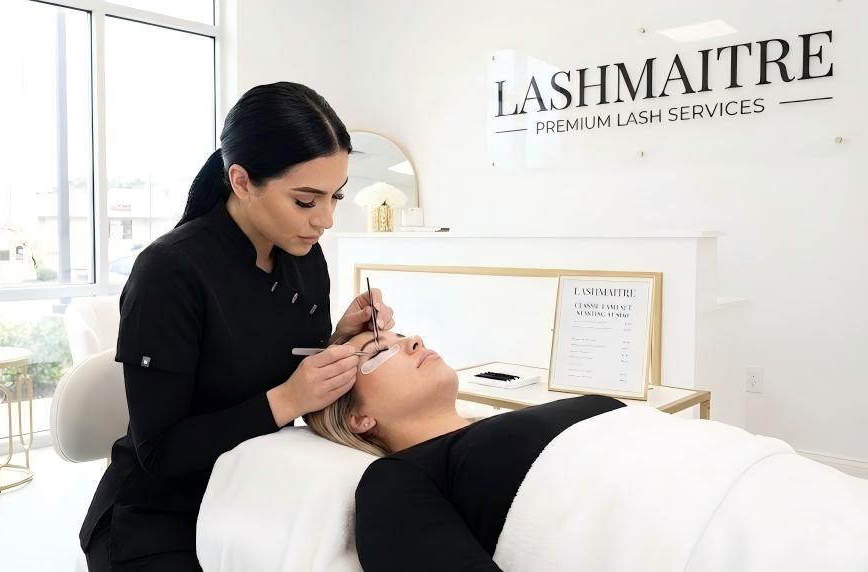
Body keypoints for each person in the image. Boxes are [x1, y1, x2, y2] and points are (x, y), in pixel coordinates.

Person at [81, 82, 396, 571]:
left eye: (336, 196)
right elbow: (159, 454)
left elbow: (272, 359)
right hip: (158, 514)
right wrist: (289, 400)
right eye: (306, 201)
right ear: (242, 181)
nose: (327, 220)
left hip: (252, 489)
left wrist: (338, 340)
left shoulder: (303, 259)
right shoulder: (169, 272)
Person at [303, 330, 624, 571]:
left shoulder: (510, 422)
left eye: (403, 336)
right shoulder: (397, 479)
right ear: (358, 418)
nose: (414, 340)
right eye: (379, 351)